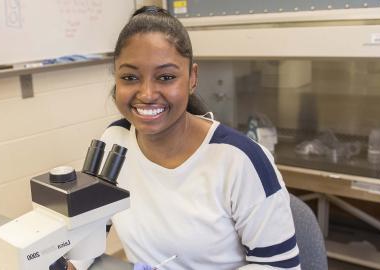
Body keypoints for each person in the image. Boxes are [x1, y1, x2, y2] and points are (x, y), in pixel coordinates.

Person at [69, 6, 299, 270]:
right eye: (130, 77)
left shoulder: (241, 161)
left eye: (166, 77)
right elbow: (95, 224)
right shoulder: (115, 140)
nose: (146, 93)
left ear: (192, 78)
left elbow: (282, 267)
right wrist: (74, 261)